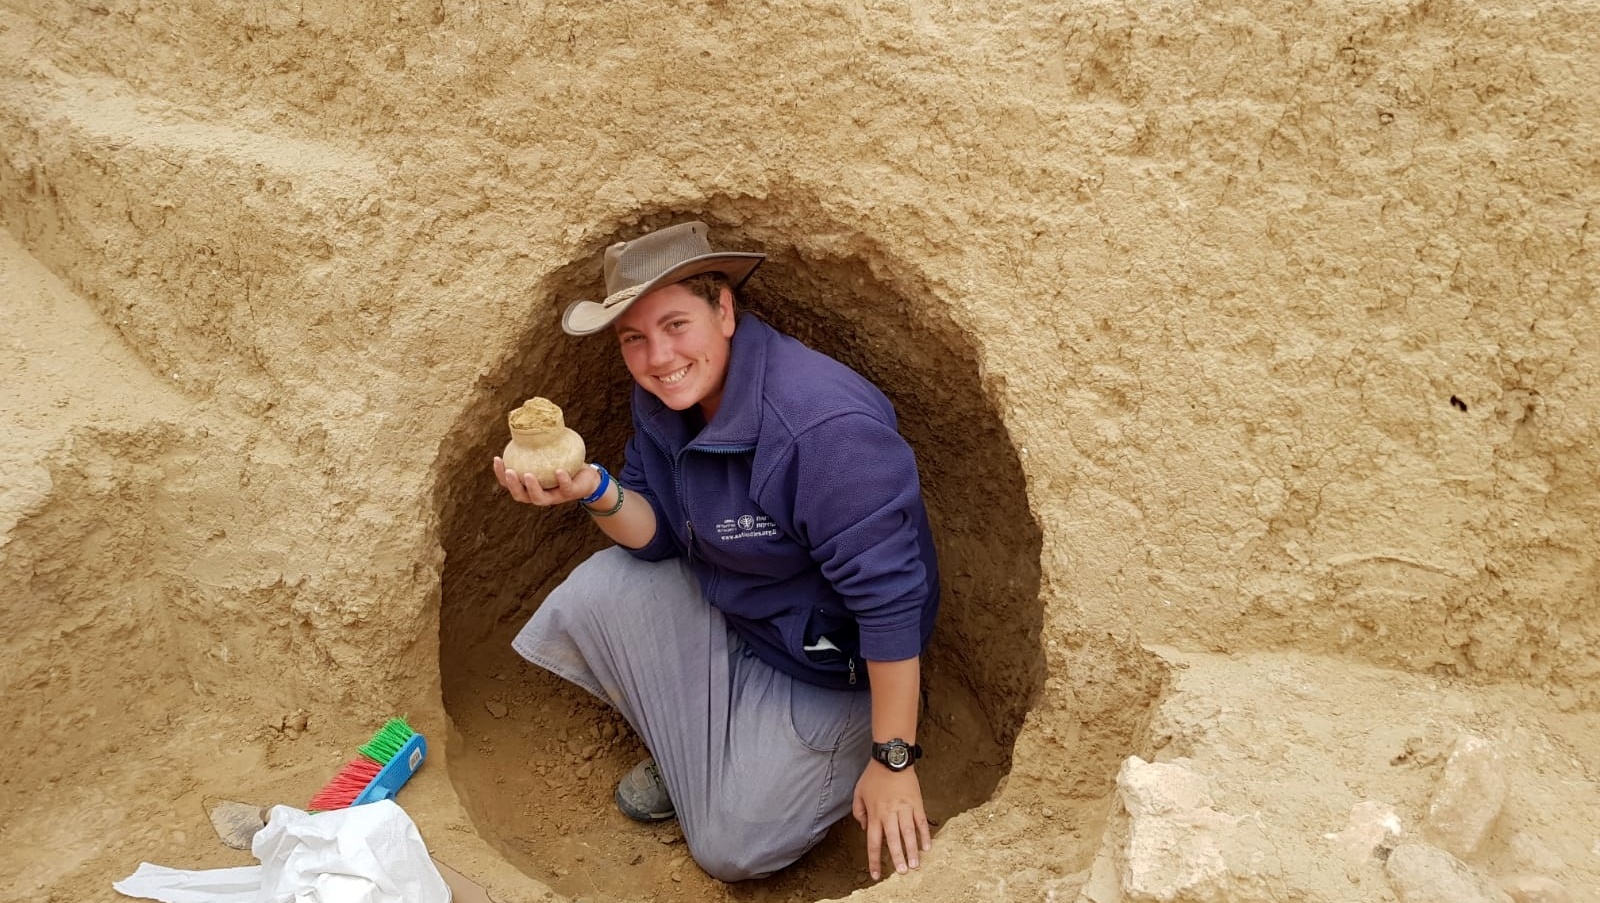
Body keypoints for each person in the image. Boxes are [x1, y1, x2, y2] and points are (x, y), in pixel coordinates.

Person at [493, 221, 941, 883]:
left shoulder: (822, 428)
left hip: (834, 667)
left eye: (676, 324)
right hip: (746, 616)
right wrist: (593, 488)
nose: (657, 356)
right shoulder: (667, 399)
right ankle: (699, 759)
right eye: (634, 338)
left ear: (724, 310)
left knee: (732, 845)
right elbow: (658, 535)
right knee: (592, 596)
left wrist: (894, 756)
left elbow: (891, 601)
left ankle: (784, 755)